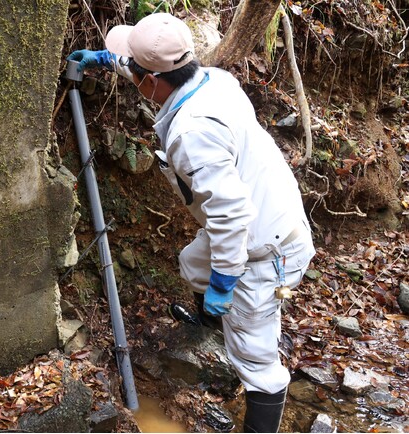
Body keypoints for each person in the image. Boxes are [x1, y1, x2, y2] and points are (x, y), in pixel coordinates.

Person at [67, 12, 316, 433]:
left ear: (152, 81)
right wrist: (107, 60)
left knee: (259, 366)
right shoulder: (213, 80)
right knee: (193, 262)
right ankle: (211, 325)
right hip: (270, 212)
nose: (134, 72)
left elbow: (231, 216)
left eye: (134, 68)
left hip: (264, 250)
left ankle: (247, 369)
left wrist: (225, 283)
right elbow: (148, 72)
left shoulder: (193, 133)